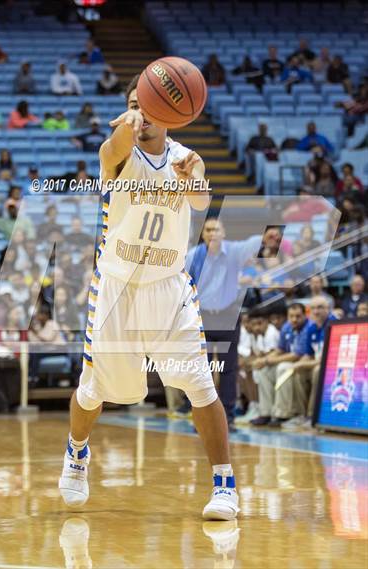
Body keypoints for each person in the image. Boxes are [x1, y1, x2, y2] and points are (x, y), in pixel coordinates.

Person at [58, 73, 240, 521]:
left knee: (200, 384)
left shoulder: (186, 158)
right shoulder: (116, 153)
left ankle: (224, 485)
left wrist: (191, 178)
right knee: (95, 389)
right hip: (117, 287)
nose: (143, 114)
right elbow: (113, 149)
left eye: (150, 105)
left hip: (169, 286)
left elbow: (200, 199)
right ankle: (77, 452)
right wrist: (130, 119)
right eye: (135, 105)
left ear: (169, 114)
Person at [182, 218, 271, 429]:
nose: (213, 233)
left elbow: (254, 243)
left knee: (228, 369)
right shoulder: (194, 255)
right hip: (201, 316)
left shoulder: (234, 251)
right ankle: (201, 419)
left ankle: (228, 417)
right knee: (200, 371)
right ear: (203, 234)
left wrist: (267, 237)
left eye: (217, 229)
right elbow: (183, 283)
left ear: (223, 233)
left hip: (228, 315)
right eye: (209, 229)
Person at [250, 303, 309, 427]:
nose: (294, 319)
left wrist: (267, 361)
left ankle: (283, 414)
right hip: (287, 361)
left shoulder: (308, 328)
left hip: (301, 363)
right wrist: (264, 361)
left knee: (283, 368)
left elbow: (296, 355)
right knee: (263, 371)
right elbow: (280, 349)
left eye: (298, 316)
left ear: (305, 315)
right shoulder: (287, 327)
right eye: (291, 316)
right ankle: (266, 412)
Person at [283, 296, 336, 430]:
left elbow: (327, 358)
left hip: (332, 365)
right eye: (313, 308)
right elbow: (308, 354)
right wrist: (299, 364)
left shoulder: (333, 324)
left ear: (328, 309)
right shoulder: (312, 328)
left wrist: (302, 363)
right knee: (297, 371)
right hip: (317, 363)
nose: (316, 312)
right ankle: (301, 415)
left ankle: (313, 416)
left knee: (318, 371)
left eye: (320, 308)